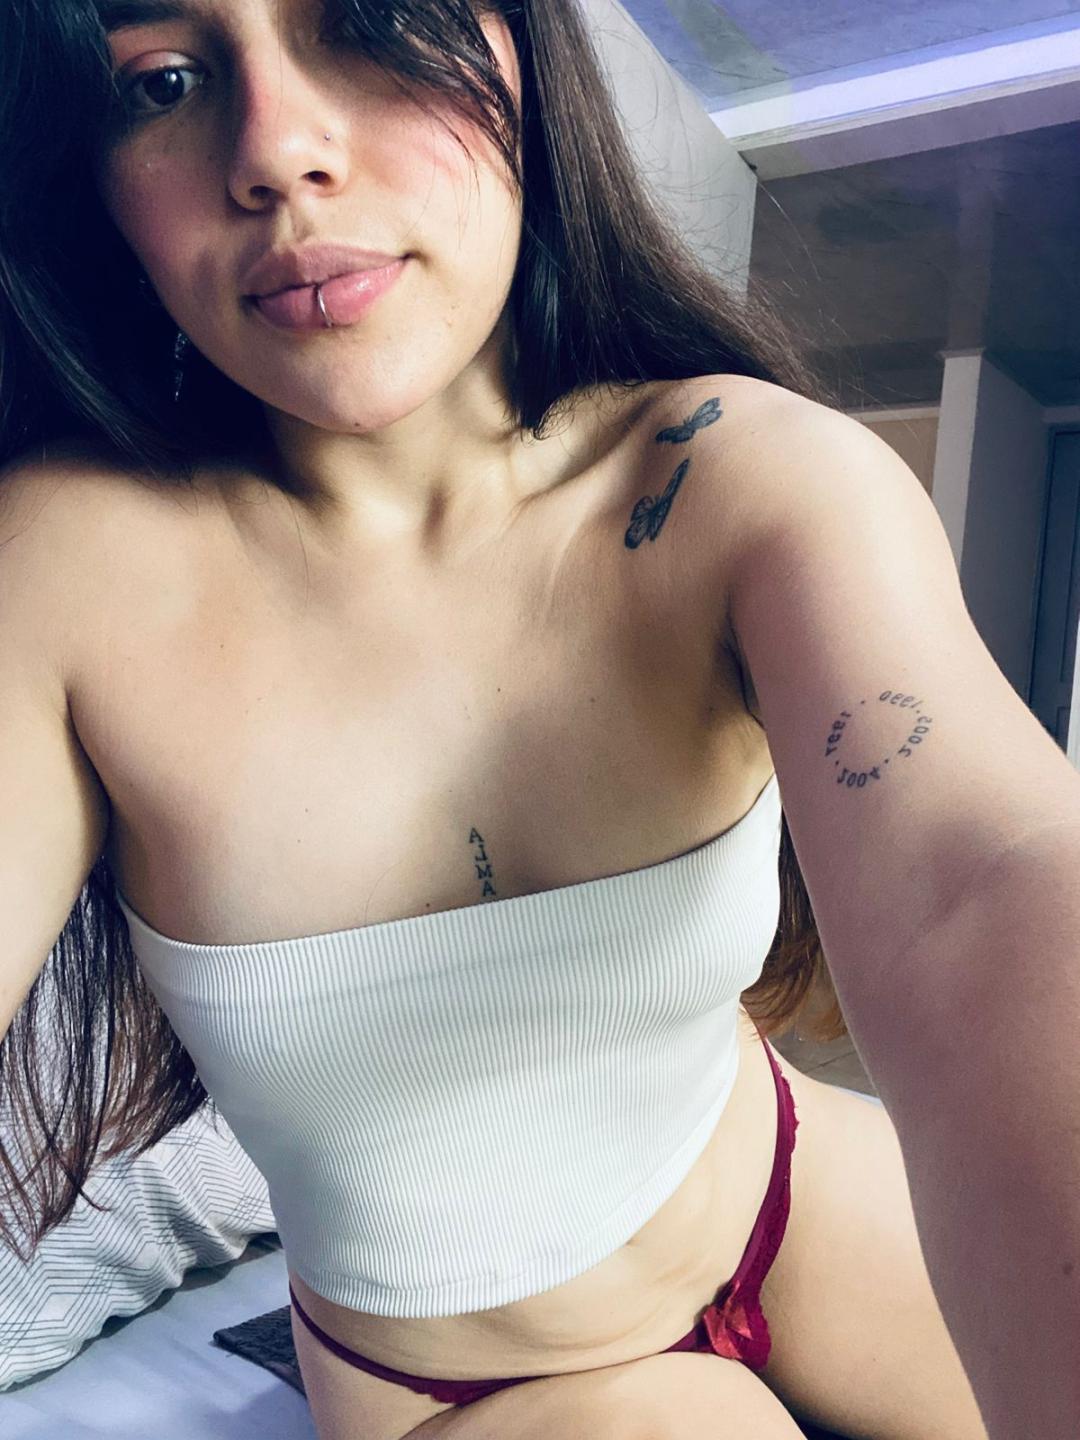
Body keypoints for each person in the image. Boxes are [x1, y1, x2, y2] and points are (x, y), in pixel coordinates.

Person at [0, 3, 1077, 1438]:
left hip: (787, 1194)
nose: (278, 152)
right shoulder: (65, 574)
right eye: (166, 81)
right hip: (464, 1382)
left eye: (370, 20)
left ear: (524, 57)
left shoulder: (729, 475)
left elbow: (983, 884)